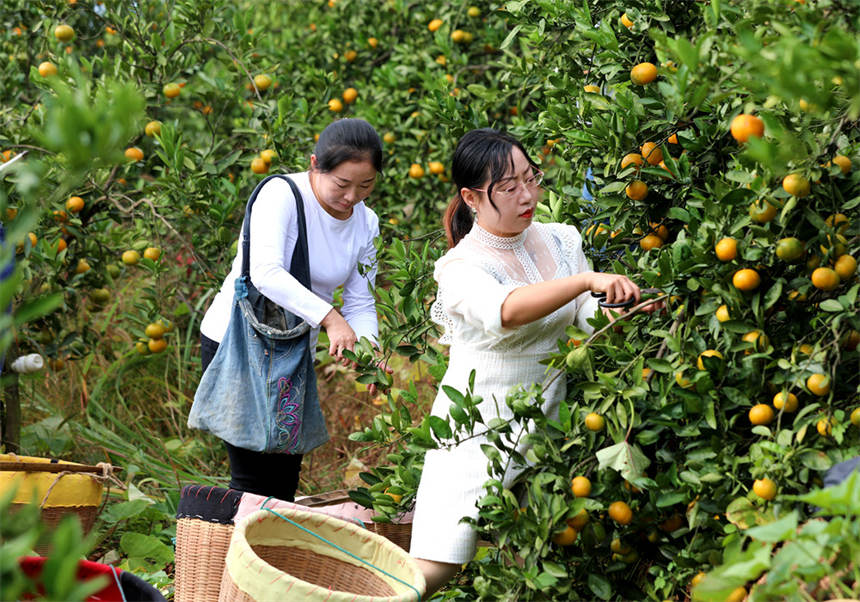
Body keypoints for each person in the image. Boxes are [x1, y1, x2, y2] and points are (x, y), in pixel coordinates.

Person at [410, 128, 658, 594]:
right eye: (508, 187)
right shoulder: (461, 267)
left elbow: (583, 320)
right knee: (436, 564)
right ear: (471, 197)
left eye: (531, 178)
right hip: (478, 426)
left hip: (549, 422)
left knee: (539, 555)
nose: (527, 195)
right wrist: (585, 280)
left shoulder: (559, 239)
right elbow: (507, 310)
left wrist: (624, 307)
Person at [198, 118, 386, 502]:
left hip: (291, 354)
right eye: (342, 184)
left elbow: (361, 300)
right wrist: (331, 319)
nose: (352, 197)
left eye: (365, 186)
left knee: (283, 485)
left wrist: (369, 348)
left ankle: (264, 558)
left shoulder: (366, 222)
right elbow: (266, 273)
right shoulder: (282, 195)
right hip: (241, 346)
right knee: (253, 482)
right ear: (315, 164)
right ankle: (223, 557)